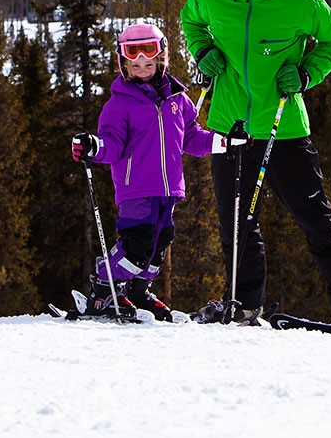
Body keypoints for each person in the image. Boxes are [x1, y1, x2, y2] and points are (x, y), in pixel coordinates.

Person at [179, 0, 331, 326]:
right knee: (236, 222)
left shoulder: (302, 3)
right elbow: (191, 21)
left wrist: (305, 73)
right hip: (230, 127)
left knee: (314, 218)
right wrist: (203, 51)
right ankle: (244, 305)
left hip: (283, 129)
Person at [69, 22, 225, 320]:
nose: (142, 66)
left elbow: (191, 137)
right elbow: (111, 145)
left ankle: (137, 290)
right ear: (124, 63)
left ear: (161, 59)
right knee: (136, 245)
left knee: (160, 242)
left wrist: (223, 143)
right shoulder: (120, 104)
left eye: (149, 60)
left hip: (169, 189)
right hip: (137, 188)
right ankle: (104, 288)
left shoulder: (177, 99)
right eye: (134, 62)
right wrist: (93, 147)